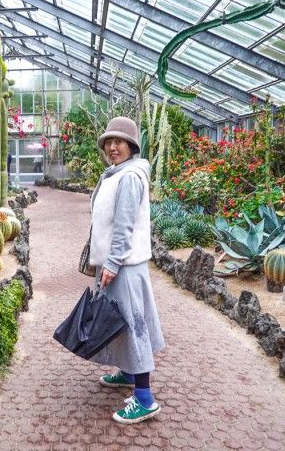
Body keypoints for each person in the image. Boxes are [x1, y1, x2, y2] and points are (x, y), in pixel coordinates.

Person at [88, 116, 165, 424]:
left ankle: (145, 399)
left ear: (131, 146)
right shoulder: (116, 173)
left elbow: (125, 224)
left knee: (133, 326)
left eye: (119, 142)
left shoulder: (130, 176)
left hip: (124, 267)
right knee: (120, 323)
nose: (112, 147)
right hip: (119, 265)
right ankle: (129, 373)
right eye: (109, 142)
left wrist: (113, 261)